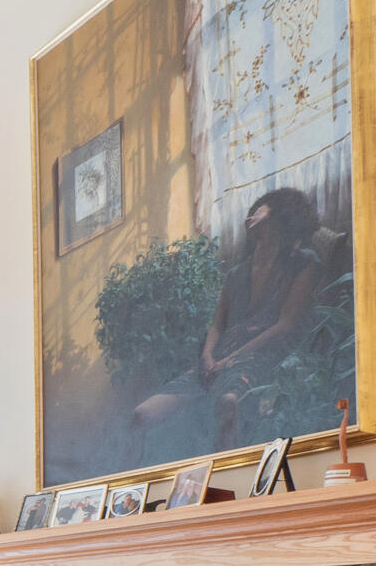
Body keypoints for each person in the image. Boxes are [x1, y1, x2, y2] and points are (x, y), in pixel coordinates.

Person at [132, 187, 329, 449]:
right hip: (218, 359)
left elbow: (286, 325)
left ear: (282, 221)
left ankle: (227, 483)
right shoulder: (237, 273)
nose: (255, 218)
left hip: (265, 356)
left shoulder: (305, 263)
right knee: (141, 415)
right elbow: (217, 325)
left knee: (229, 403)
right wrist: (208, 356)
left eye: (265, 213)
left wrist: (230, 360)